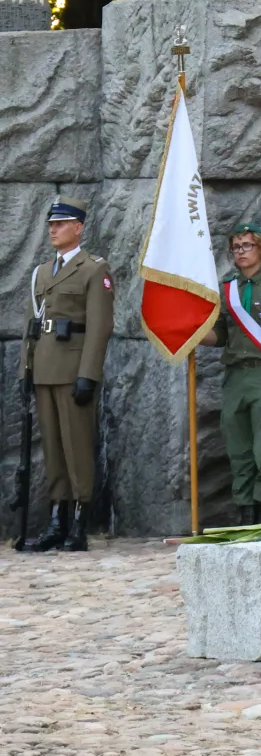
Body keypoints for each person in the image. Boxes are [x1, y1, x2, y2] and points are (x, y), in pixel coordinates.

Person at [21, 196, 115, 552]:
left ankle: (79, 517)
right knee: (53, 448)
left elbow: (100, 326)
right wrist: (25, 370)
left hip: (74, 367)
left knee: (77, 447)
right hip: (45, 367)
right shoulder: (42, 272)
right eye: (50, 224)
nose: (53, 230)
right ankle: (57, 516)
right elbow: (32, 324)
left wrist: (88, 374)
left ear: (78, 228)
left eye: (60, 224)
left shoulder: (94, 269)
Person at [202, 223, 261, 526]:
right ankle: (245, 514)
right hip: (235, 377)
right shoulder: (227, 287)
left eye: (247, 246)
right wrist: (190, 329)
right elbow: (220, 335)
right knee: (238, 449)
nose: (241, 252)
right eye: (236, 247)